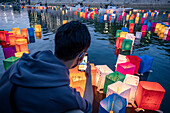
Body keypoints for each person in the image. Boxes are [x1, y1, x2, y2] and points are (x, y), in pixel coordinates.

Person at [0, 21, 93, 113]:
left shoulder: (19, 64)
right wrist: (88, 78)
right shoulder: (64, 94)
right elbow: (88, 106)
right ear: (81, 57)